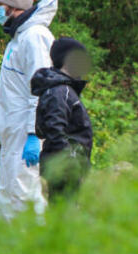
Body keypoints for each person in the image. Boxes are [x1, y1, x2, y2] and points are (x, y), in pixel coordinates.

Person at [0, 0, 58, 220]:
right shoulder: (19, 38)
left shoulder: (35, 37)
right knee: (8, 196)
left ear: (13, 6)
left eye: (0, 5)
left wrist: (33, 132)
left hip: (25, 134)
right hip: (13, 134)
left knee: (25, 197)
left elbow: (41, 87)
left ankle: (35, 240)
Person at [31, 37, 93, 201]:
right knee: (64, 211)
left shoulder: (64, 89)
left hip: (68, 168)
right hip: (63, 170)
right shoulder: (60, 91)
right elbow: (54, 130)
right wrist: (69, 165)